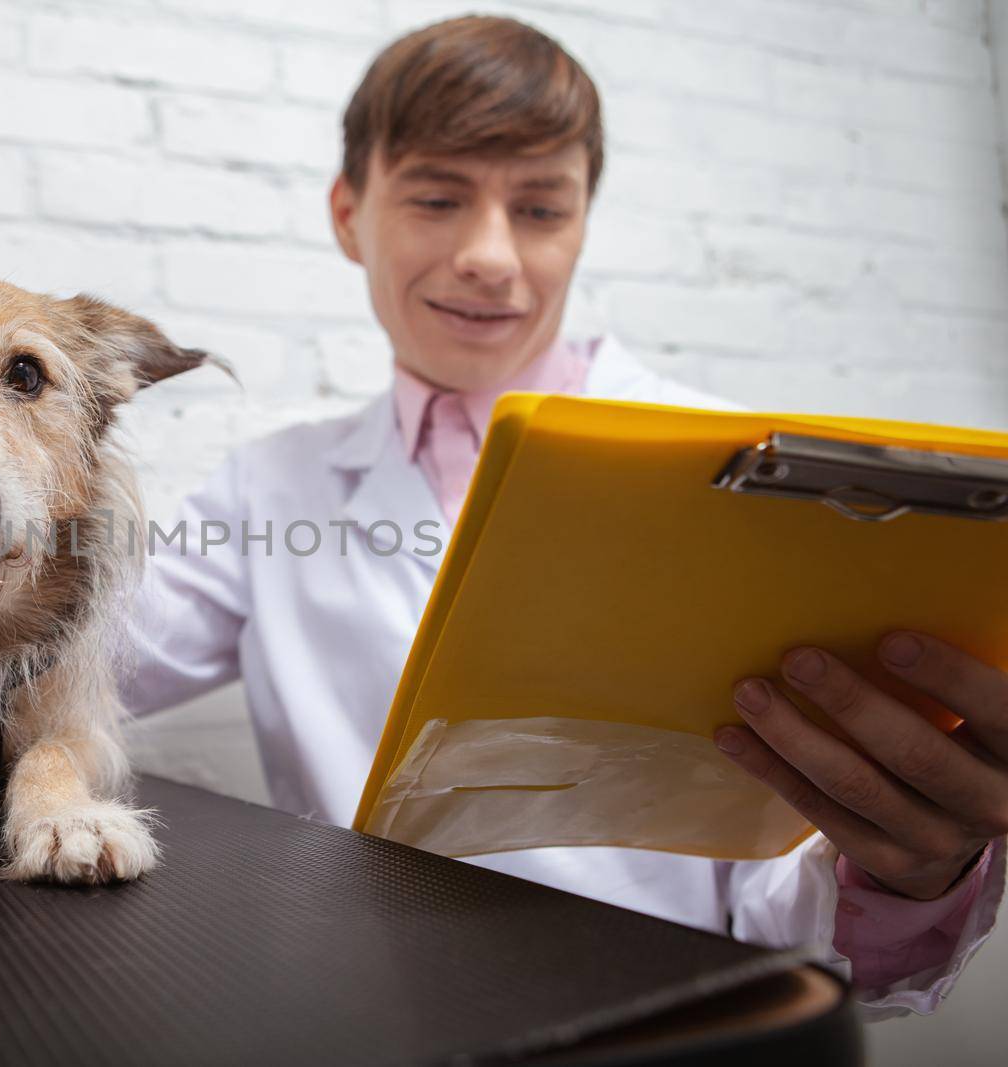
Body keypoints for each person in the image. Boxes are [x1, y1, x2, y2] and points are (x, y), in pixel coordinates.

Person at [119, 15, 1004, 1020]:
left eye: (539, 208)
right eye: (437, 197)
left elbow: (783, 905)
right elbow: (45, 663)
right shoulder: (266, 491)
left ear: (582, 221)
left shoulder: (748, 473)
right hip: (363, 1021)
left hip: (672, 1027)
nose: (491, 255)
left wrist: (903, 874)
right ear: (347, 212)